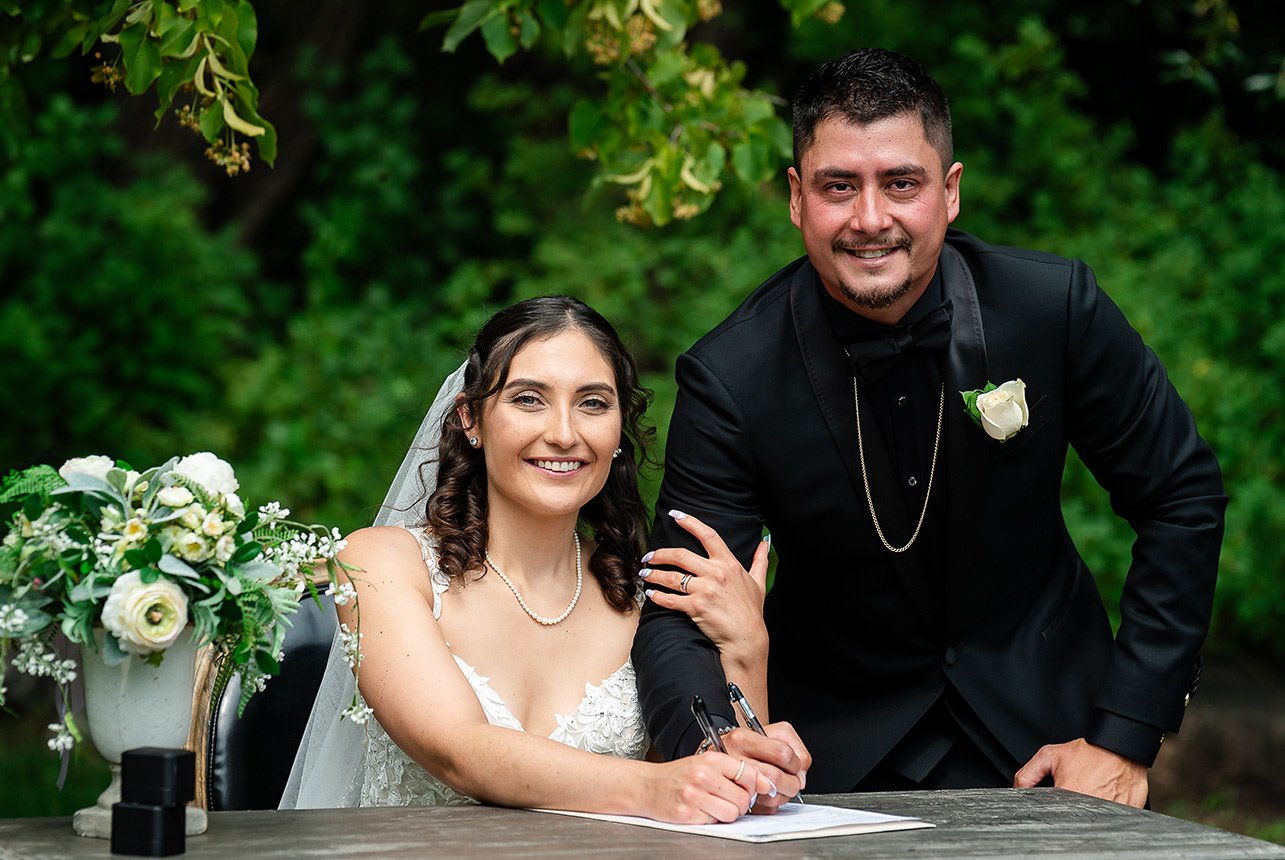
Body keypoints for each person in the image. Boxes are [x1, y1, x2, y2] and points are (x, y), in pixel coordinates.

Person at [632, 47, 1226, 808]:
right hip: (826, 768)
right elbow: (677, 602)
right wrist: (717, 745)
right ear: (794, 197)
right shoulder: (730, 375)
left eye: (900, 183)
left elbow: (1179, 497)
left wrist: (1123, 735)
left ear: (948, 193)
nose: (869, 218)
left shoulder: (1054, 308)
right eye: (837, 186)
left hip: (1054, 743)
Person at [281, 296, 801, 821]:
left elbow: (717, 795)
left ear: (619, 428)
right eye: (529, 399)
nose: (564, 433)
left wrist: (747, 648)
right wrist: (652, 787)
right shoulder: (380, 564)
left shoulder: (650, 603)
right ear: (471, 418)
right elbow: (455, 748)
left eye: (593, 403)